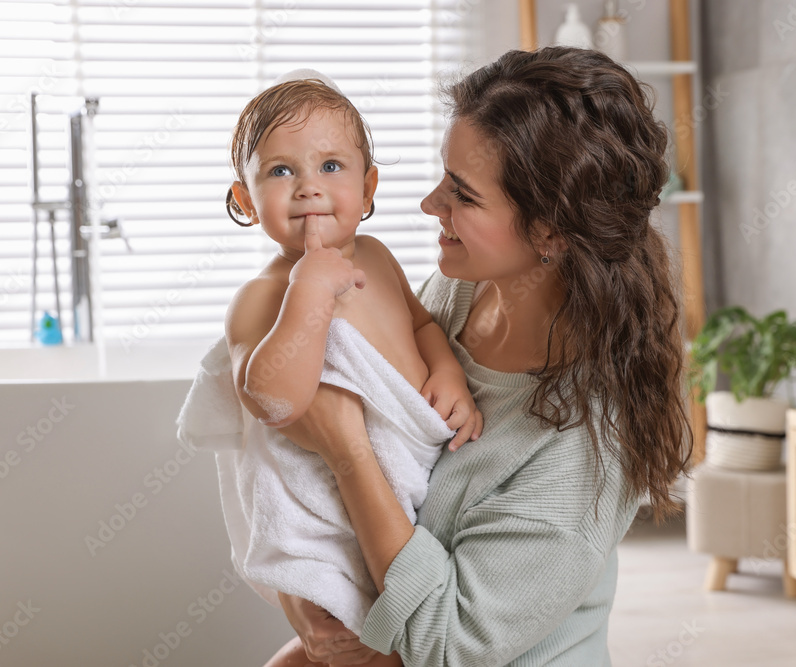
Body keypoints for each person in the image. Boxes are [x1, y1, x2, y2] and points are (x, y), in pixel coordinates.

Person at [274, 46, 693, 666]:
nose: (428, 205)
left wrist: (346, 449)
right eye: (445, 177)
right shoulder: (461, 290)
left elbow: (448, 645)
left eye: (462, 196)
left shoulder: (591, 439)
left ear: (550, 231)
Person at [189, 73, 484, 667]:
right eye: (279, 172)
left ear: (368, 186)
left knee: (396, 646)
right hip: (330, 523)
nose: (307, 189)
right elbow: (271, 401)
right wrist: (307, 295)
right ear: (245, 201)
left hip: (409, 491)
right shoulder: (261, 297)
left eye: (330, 166)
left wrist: (447, 372)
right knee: (341, 647)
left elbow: (422, 324)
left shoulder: (377, 256)